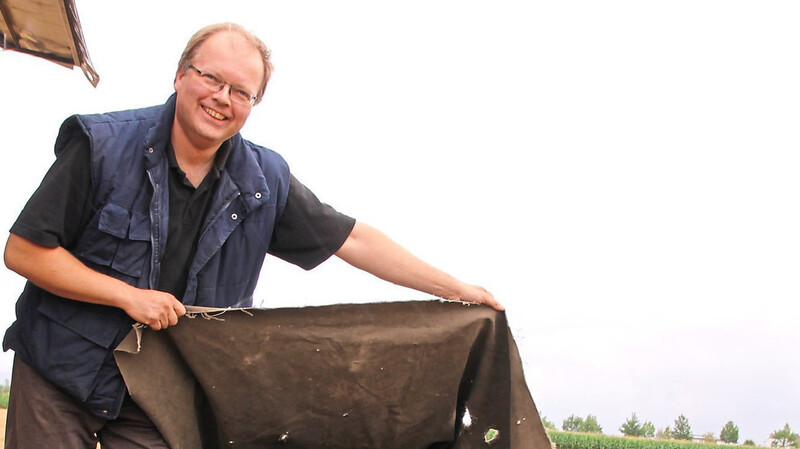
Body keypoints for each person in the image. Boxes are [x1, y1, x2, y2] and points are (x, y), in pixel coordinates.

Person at [2, 23, 502, 448]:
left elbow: (352, 240)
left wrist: (453, 289)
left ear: (254, 103)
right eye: (211, 78)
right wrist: (127, 297)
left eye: (242, 92)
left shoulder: (264, 180)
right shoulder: (101, 146)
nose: (223, 98)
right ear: (180, 75)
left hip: (159, 393)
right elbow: (23, 251)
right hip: (58, 373)